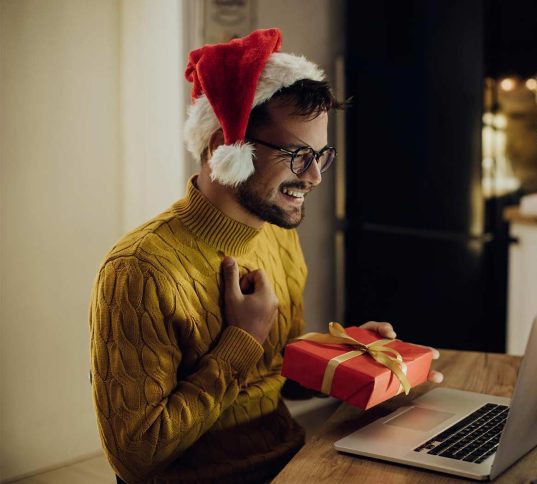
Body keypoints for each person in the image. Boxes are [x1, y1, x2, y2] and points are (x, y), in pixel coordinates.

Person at [89, 29, 441, 483]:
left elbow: (279, 380)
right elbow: (135, 457)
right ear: (224, 147)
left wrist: (350, 358)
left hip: (293, 461)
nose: (314, 176)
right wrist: (243, 340)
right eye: (297, 154)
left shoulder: (277, 233)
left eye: (320, 155)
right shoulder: (138, 270)